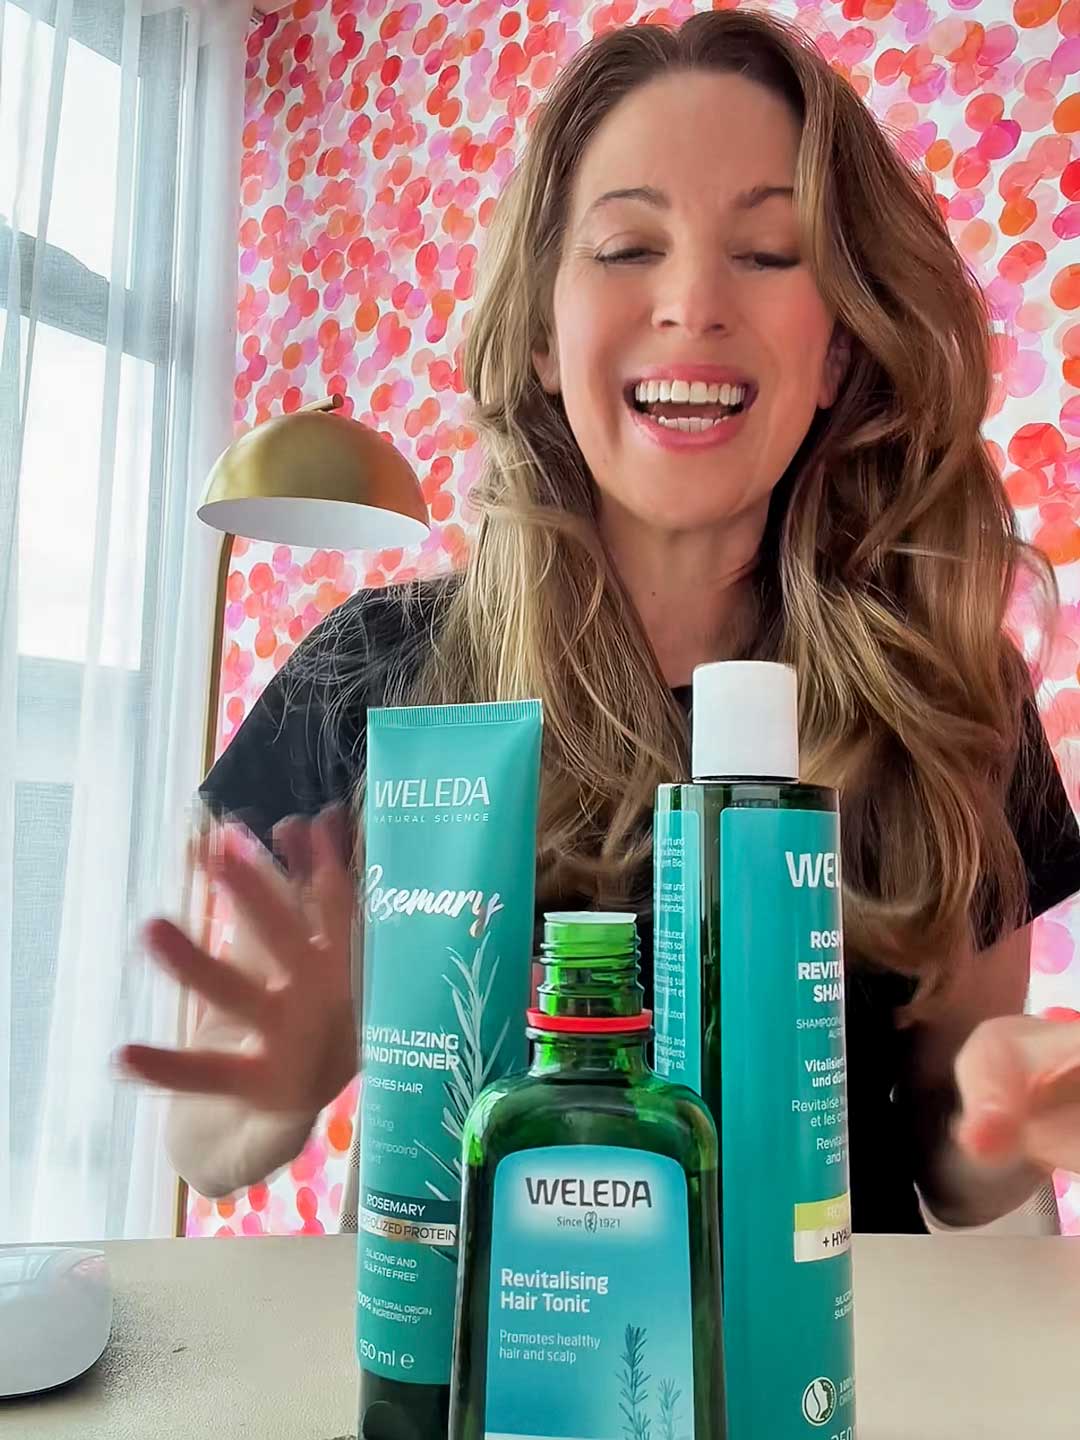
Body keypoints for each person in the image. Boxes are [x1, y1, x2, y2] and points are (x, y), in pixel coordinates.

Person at [118, 10, 1080, 1230]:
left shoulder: (948, 691)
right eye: (628, 247)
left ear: (838, 348)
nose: (694, 302)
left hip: (812, 1386)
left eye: (772, 253)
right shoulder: (374, 676)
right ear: (535, 336)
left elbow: (957, 1160)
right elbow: (207, 1146)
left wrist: (1004, 1108)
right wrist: (283, 1081)